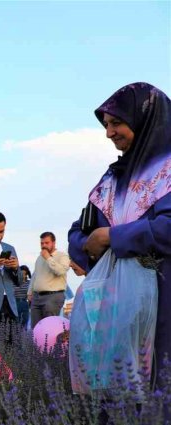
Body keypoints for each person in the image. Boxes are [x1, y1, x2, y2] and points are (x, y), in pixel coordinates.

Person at [70, 83, 171, 375]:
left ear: (144, 119)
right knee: (118, 386)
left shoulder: (165, 174)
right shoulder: (112, 178)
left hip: (162, 300)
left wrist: (113, 237)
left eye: (116, 122)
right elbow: (78, 232)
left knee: (157, 383)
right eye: (106, 125)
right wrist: (90, 244)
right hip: (116, 306)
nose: (109, 132)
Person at [28, 232, 71, 328]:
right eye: (42, 243)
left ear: (54, 243)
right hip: (36, 297)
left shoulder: (62, 256)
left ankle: (52, 344)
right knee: (35, 328)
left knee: (49, 328)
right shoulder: (40, 258)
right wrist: (30, 292)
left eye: (47, 243)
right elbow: (35, 275)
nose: (44, 246)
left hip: (53, 296)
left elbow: (60, 271)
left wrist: (48, 258)